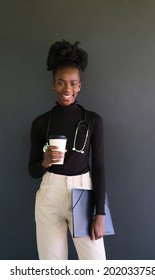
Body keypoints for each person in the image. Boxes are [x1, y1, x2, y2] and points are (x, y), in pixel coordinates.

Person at [28, 40, 107, 260]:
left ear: (80, 85)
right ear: (53, 85)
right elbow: (32, 171)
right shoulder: (41, 123)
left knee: (96, 265)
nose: (67, 90)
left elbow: (99, 168)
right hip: (50, 195)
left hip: (83, 192)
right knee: (53, 268)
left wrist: (100, 213)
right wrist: (44, 162)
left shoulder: (93, 121)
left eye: (73, 83)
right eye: (61, 83)